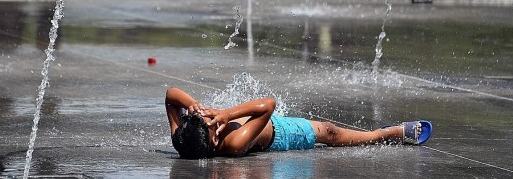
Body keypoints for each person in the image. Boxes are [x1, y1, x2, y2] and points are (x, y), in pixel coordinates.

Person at [165, 87, 432, 159]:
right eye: (212, 124)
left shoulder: (183, 139)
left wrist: (193, 106)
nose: (212, 118)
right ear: (214, 141)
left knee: (328, 129)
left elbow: (170, 96)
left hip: (260, 120)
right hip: (280, 134)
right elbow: (268, 105)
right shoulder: (233, 143)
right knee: (329, 131)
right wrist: (227, 114)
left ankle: (381, 133)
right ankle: (384, 134)